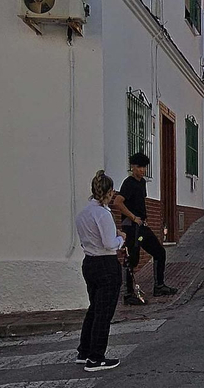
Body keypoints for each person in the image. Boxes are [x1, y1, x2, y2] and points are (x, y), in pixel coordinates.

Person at [74, 171, 125, 372]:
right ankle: (96, 358)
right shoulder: (103, 214)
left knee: (94, 309)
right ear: (108, 192)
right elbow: (109, 243)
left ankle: (84, 351)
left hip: (89, 263)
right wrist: (121, 238)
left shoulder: (83, 213)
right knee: (104, 313)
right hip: (106, 264)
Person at [117, 152, 175, 305]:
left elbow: (140, 203)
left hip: (141, 228)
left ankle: (159, 286)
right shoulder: (128, 183)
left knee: (159, 252)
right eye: (139, 167)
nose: (142, 170)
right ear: (132, 167)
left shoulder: (142, 183)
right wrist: (133, 217)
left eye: (144, 167)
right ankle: (128, 294)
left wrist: (143, 220)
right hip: (131, 229)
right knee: (132, 258)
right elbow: (118, 202)